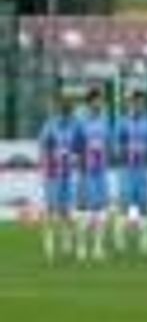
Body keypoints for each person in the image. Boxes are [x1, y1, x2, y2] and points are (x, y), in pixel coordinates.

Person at [114, 90, 147, 256]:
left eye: (141, 103)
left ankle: (144, 243)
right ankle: (120, 242)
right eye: (135, 103)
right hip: (127, 170)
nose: (138, 106)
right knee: (124, 206)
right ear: (130, 104)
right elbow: (117, 146)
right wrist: (124, 153)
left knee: (143, 206)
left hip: (142, 171)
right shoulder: (123, 123)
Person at [39, 94, 79, 262]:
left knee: (67, 209)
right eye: (65, 107)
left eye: (69, 108)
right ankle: (49, 242)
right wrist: (50, 160)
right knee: (50, 208)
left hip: (68, 173)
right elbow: (43, 146)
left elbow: (79, 147)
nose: (67, 110)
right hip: (53, 173)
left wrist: (73, 156)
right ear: (59, 109)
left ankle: (66, 242)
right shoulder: (50, 125)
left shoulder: (74, 126)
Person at [75, 88, 112, 261]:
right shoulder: (81, 123)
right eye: (96, 101)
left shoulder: (105, 121)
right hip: (86, 172)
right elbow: (76, 146)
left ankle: (98, 247)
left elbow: (107, 144)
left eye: (100, 101)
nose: (99, 104)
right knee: (85, 210)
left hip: (101, 172)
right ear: (89, 103)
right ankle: (82, 247)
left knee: (101, 210)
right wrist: (82, 164)